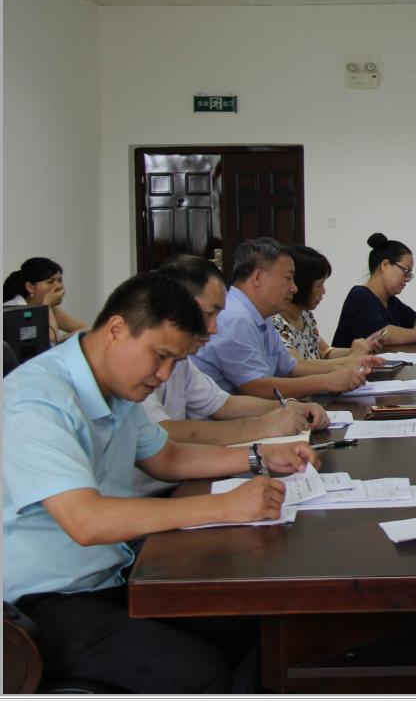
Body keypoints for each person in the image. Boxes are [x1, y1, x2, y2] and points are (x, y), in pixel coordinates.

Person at [3, 272, 320, 693]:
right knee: (199, 671)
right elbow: (85, 521)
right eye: (160, 356)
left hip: (111, 573)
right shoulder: (38, 399)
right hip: (43, 600)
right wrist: (224, 506)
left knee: (261, 618)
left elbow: (166, 457)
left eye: (175, 361)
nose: (164, 374)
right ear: (116, 330)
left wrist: (259, 455)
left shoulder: (114, 386)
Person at [133, 255, 331, 497]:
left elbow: (224, 404)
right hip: (149, 495)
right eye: (209, 314)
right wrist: (262, 427)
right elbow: (164, 433)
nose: (214, 328)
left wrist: (290, 407)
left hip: (184, 479)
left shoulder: (181, 359)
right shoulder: (135, 360)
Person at [191, 238, 382, 399]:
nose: (294, 288)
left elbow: (291, 369)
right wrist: (327, 381)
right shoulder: (236, 318)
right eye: (288, 279)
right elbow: (255, 388)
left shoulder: (261, 316)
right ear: (258, 277)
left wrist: (349, 364)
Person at [331, 233, 416, 348]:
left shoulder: (390, 300)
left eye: (410, 274)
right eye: (406, 271)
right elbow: (382, 335)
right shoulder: (359, 297)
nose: (408, 278)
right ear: (385, 265)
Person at [273, 245, 383, 361]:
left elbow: (325, 352)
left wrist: (360, 349)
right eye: (319, 285)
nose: (323, 291)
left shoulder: (305, 315)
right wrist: (350, 360)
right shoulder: (276, 322)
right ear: (301, 285)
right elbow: (297, 366)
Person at [3, 257, 89, 343]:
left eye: (60, 281)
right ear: (30, 287)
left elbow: (86, 329)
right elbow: (50, 341)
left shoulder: (49, 307)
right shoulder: (10, 310)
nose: (59, 286)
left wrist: (62, 338)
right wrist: (48, 306)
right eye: (50, 282)